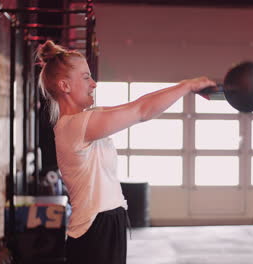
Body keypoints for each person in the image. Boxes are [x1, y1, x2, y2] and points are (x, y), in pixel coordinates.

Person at [36, 40, 215, 264]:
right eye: (85, 77)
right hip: (95, 229)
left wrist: (186, 86)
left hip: (106, 223)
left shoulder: (84, 120)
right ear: (65, 86)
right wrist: (187, 86)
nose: (93, 84)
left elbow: (140, 105)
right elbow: (142, 111)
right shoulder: (75, 126)